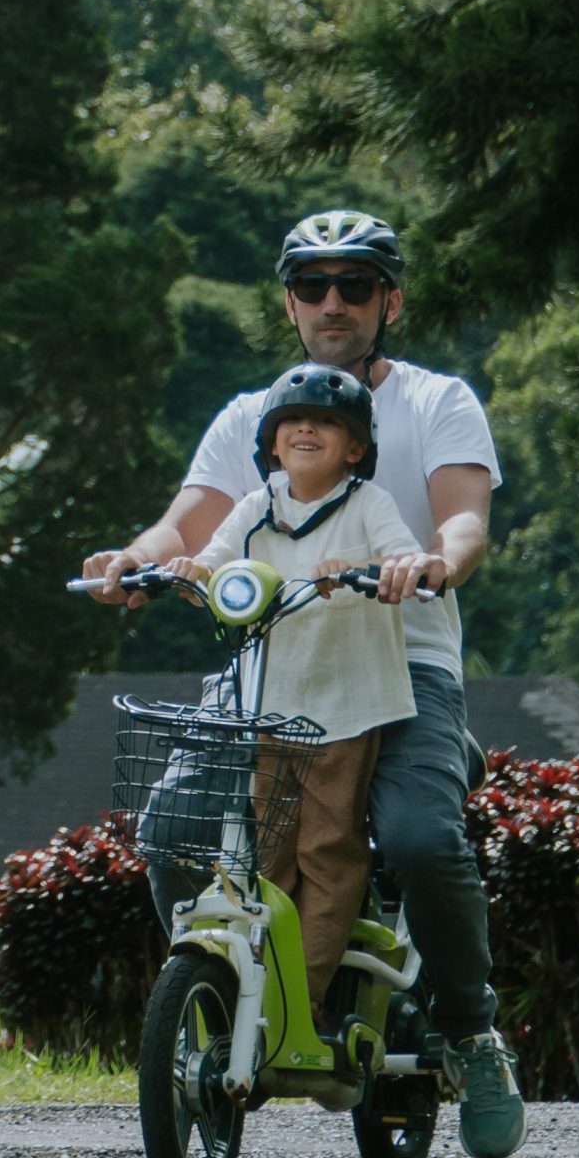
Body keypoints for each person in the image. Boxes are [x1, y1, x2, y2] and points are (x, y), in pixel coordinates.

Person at [81, 208, 524, 1158]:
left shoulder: (438, 402)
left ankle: (470, 1032)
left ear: (389, 301)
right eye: (312, 286)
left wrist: (434, 564)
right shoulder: (256, 414)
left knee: (420, 838)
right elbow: (187, 527)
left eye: (354, 285)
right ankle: (233, 994)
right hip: (271, 665)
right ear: (288, 303)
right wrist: (133, 558)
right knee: (169, 829)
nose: (332, 302)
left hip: (402, 666)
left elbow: (463, 522)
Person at [159, 362, 421, 1015]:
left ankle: (298, 1004)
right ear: (272, 443)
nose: (307, 429)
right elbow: (216, 561)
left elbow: (401, 558)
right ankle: (254, 1000)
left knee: (327, 851)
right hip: (272, 707)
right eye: (293, 421)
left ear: (354, 448)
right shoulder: (258, 506)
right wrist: (193, 571)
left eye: (326, 422)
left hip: (347, 711)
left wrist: (363, 569)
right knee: (268, 855)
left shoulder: (368, 504)